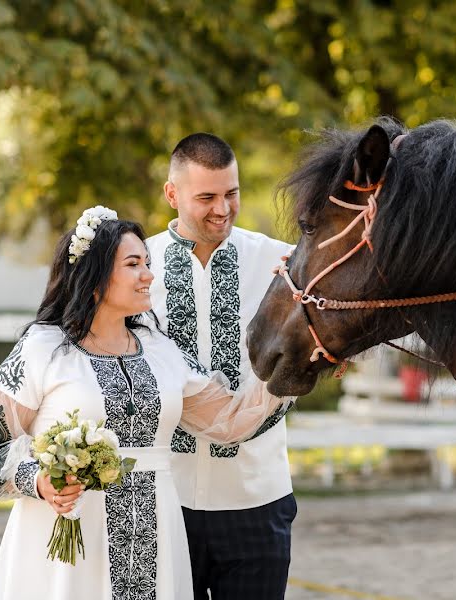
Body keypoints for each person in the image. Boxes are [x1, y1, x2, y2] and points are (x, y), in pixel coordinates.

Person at [0, 206, 292, 600]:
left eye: (148, 263)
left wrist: (298, 358)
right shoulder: (44, 348)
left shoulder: (160, 350)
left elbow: (229, 421)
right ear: (96, 278)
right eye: (134, 264)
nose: (149, 276)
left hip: (156, 533)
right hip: (70, 541)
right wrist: (40, 479)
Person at [147, 133, 296, 599]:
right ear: (172, 194)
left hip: (257, 494)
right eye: (206, 197)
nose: (222, 209)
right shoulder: (137, 267)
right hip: (165, 500)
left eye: (231, 193)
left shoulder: (284, 263)